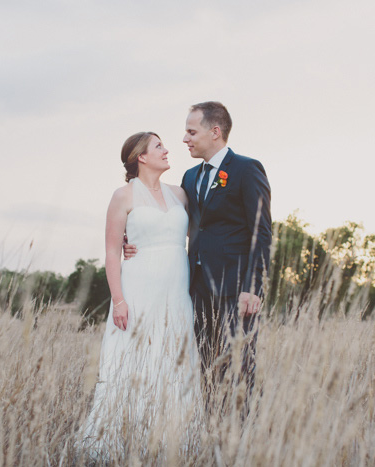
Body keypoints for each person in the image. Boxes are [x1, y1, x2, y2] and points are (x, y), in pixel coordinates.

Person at [125, 102, 272, 413]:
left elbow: (262, 233)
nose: (185, 139)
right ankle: (210, 436)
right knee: (203, 368)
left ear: (214, 132)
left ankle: (242, 442)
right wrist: (132, 237)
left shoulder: (246, 169)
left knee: (238, 367)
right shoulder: (190, 178)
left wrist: (253, 288)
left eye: (192, 132)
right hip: (195, 290)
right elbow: (170, 218)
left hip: (235, 290)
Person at [79, 132, 202, 458]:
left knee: (174, 360)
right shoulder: (122, 196)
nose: (166, 150)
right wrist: (119, 300)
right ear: (141, 157)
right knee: (132, 361)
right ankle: (118, 439)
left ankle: (171, 442)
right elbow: (110, 252)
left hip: (175, 293)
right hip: (137, 291)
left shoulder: (180, 194)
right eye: (159, 146)